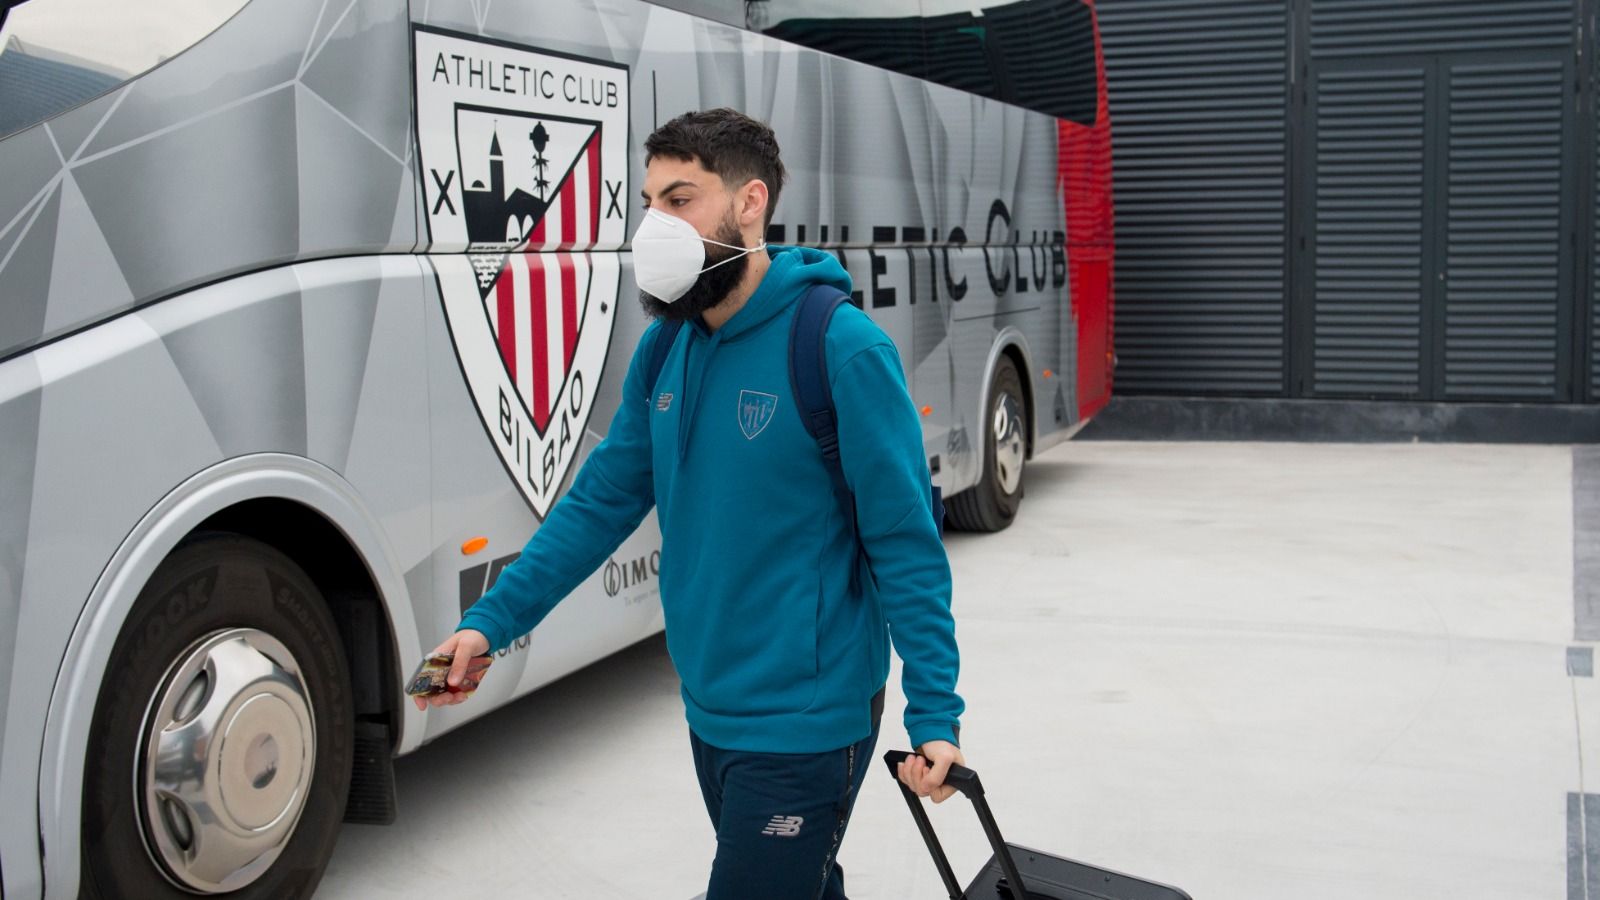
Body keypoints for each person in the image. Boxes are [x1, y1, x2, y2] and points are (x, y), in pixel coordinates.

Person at [415, 107, 965, 900]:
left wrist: (935, 715)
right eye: (648, 203)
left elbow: (905, 545)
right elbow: (599, 506)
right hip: (711, 707)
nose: (654, 225)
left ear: (749, 204)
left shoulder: (841, 349)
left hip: (805, 718)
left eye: (680, 200)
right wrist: (489, 623)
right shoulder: (667, 349)